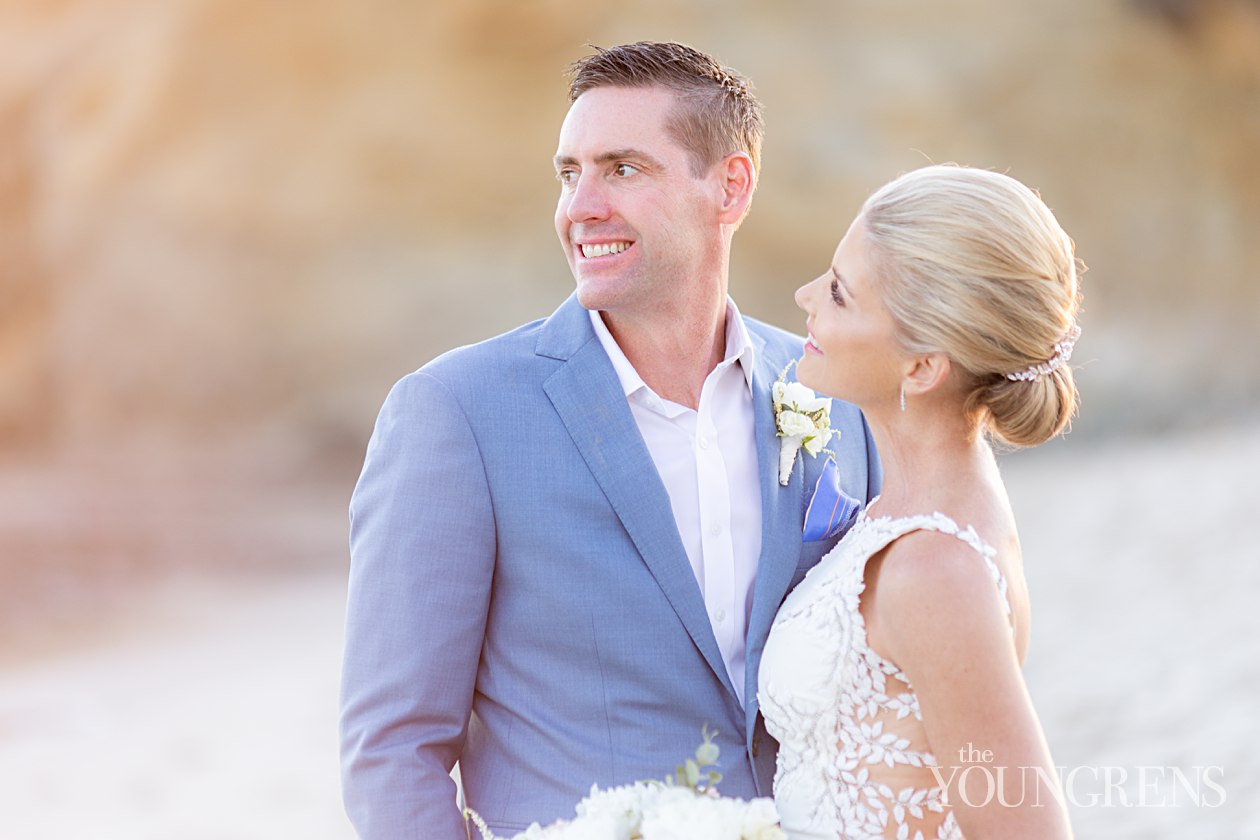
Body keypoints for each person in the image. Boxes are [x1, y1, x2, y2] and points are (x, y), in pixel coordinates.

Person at [339, 42, 881, 840]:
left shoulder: (835, 394)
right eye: (569, 173)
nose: (579, 206)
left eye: (622, 169)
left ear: (729, 187)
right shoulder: (455, 414)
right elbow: (392, 750)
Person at [759, 164, 1078, 839]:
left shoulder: (936, 570)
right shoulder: (926, 503)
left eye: (841, 295)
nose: (806, 296)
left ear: (923, 366)